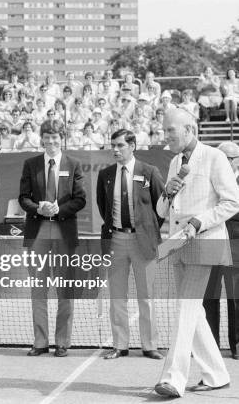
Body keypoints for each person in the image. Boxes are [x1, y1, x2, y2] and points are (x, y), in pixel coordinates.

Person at [153, 108, 239, 397]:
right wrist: (167, 192)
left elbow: (232, 202)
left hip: (206, 242)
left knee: (185, 309)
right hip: (177, 244)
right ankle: (216, 374)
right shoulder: (175, 161)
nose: (165, 136)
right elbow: (162, 211)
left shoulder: (214, 157)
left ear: (189, 129)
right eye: (164, 131)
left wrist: (198, 222)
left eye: (169, 131)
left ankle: (173, 378)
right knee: (194, 312)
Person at [18, 119, 86, 357]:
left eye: (55, 137)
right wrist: (38, 208)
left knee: (65, 290)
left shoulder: (74, 164)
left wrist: (59, 209)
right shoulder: (31, 164)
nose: (51, 141)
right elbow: (23, 198)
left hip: (63, 233)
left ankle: (62, 342)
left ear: (62, 138)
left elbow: (80, 199)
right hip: (37, 234)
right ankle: (40, 342)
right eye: (47, 137)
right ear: (42, 139)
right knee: (38, 290)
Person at [96, 129, 165, 360]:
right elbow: (102, 205)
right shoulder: (105, 174)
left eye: (120, 145)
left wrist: (146, 230)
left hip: (143, 242)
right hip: (115, 240)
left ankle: (150, 345)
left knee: (146, 297)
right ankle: (120, 345)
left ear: (132, 145)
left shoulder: (149, 172)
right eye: (112, 145)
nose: (115, 150)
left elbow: (162, 208)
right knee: (117, 297)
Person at [202, 141, 239, 360]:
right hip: (210, 245)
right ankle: (210, 345)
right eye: (221, 157)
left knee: (236, 298)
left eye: (228, 158)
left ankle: (236, 344)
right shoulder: (209, 181)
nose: (223, 162)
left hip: (235, 249)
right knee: (209, 297)